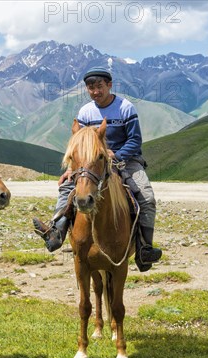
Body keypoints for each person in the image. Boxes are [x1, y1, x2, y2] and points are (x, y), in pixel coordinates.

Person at [33, 67, 162, 272]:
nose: (95, 92)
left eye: (99, 87)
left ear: (109, 85)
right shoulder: (86, 112)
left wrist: (115, 155)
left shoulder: (125, 108)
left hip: (126, 160)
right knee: (68, 188)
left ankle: (145, 248)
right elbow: (80, 142)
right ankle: (56, 231)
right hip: (92, 162)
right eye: (91, 88)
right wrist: (72, 169)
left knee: (146, 197)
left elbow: (135, 140)